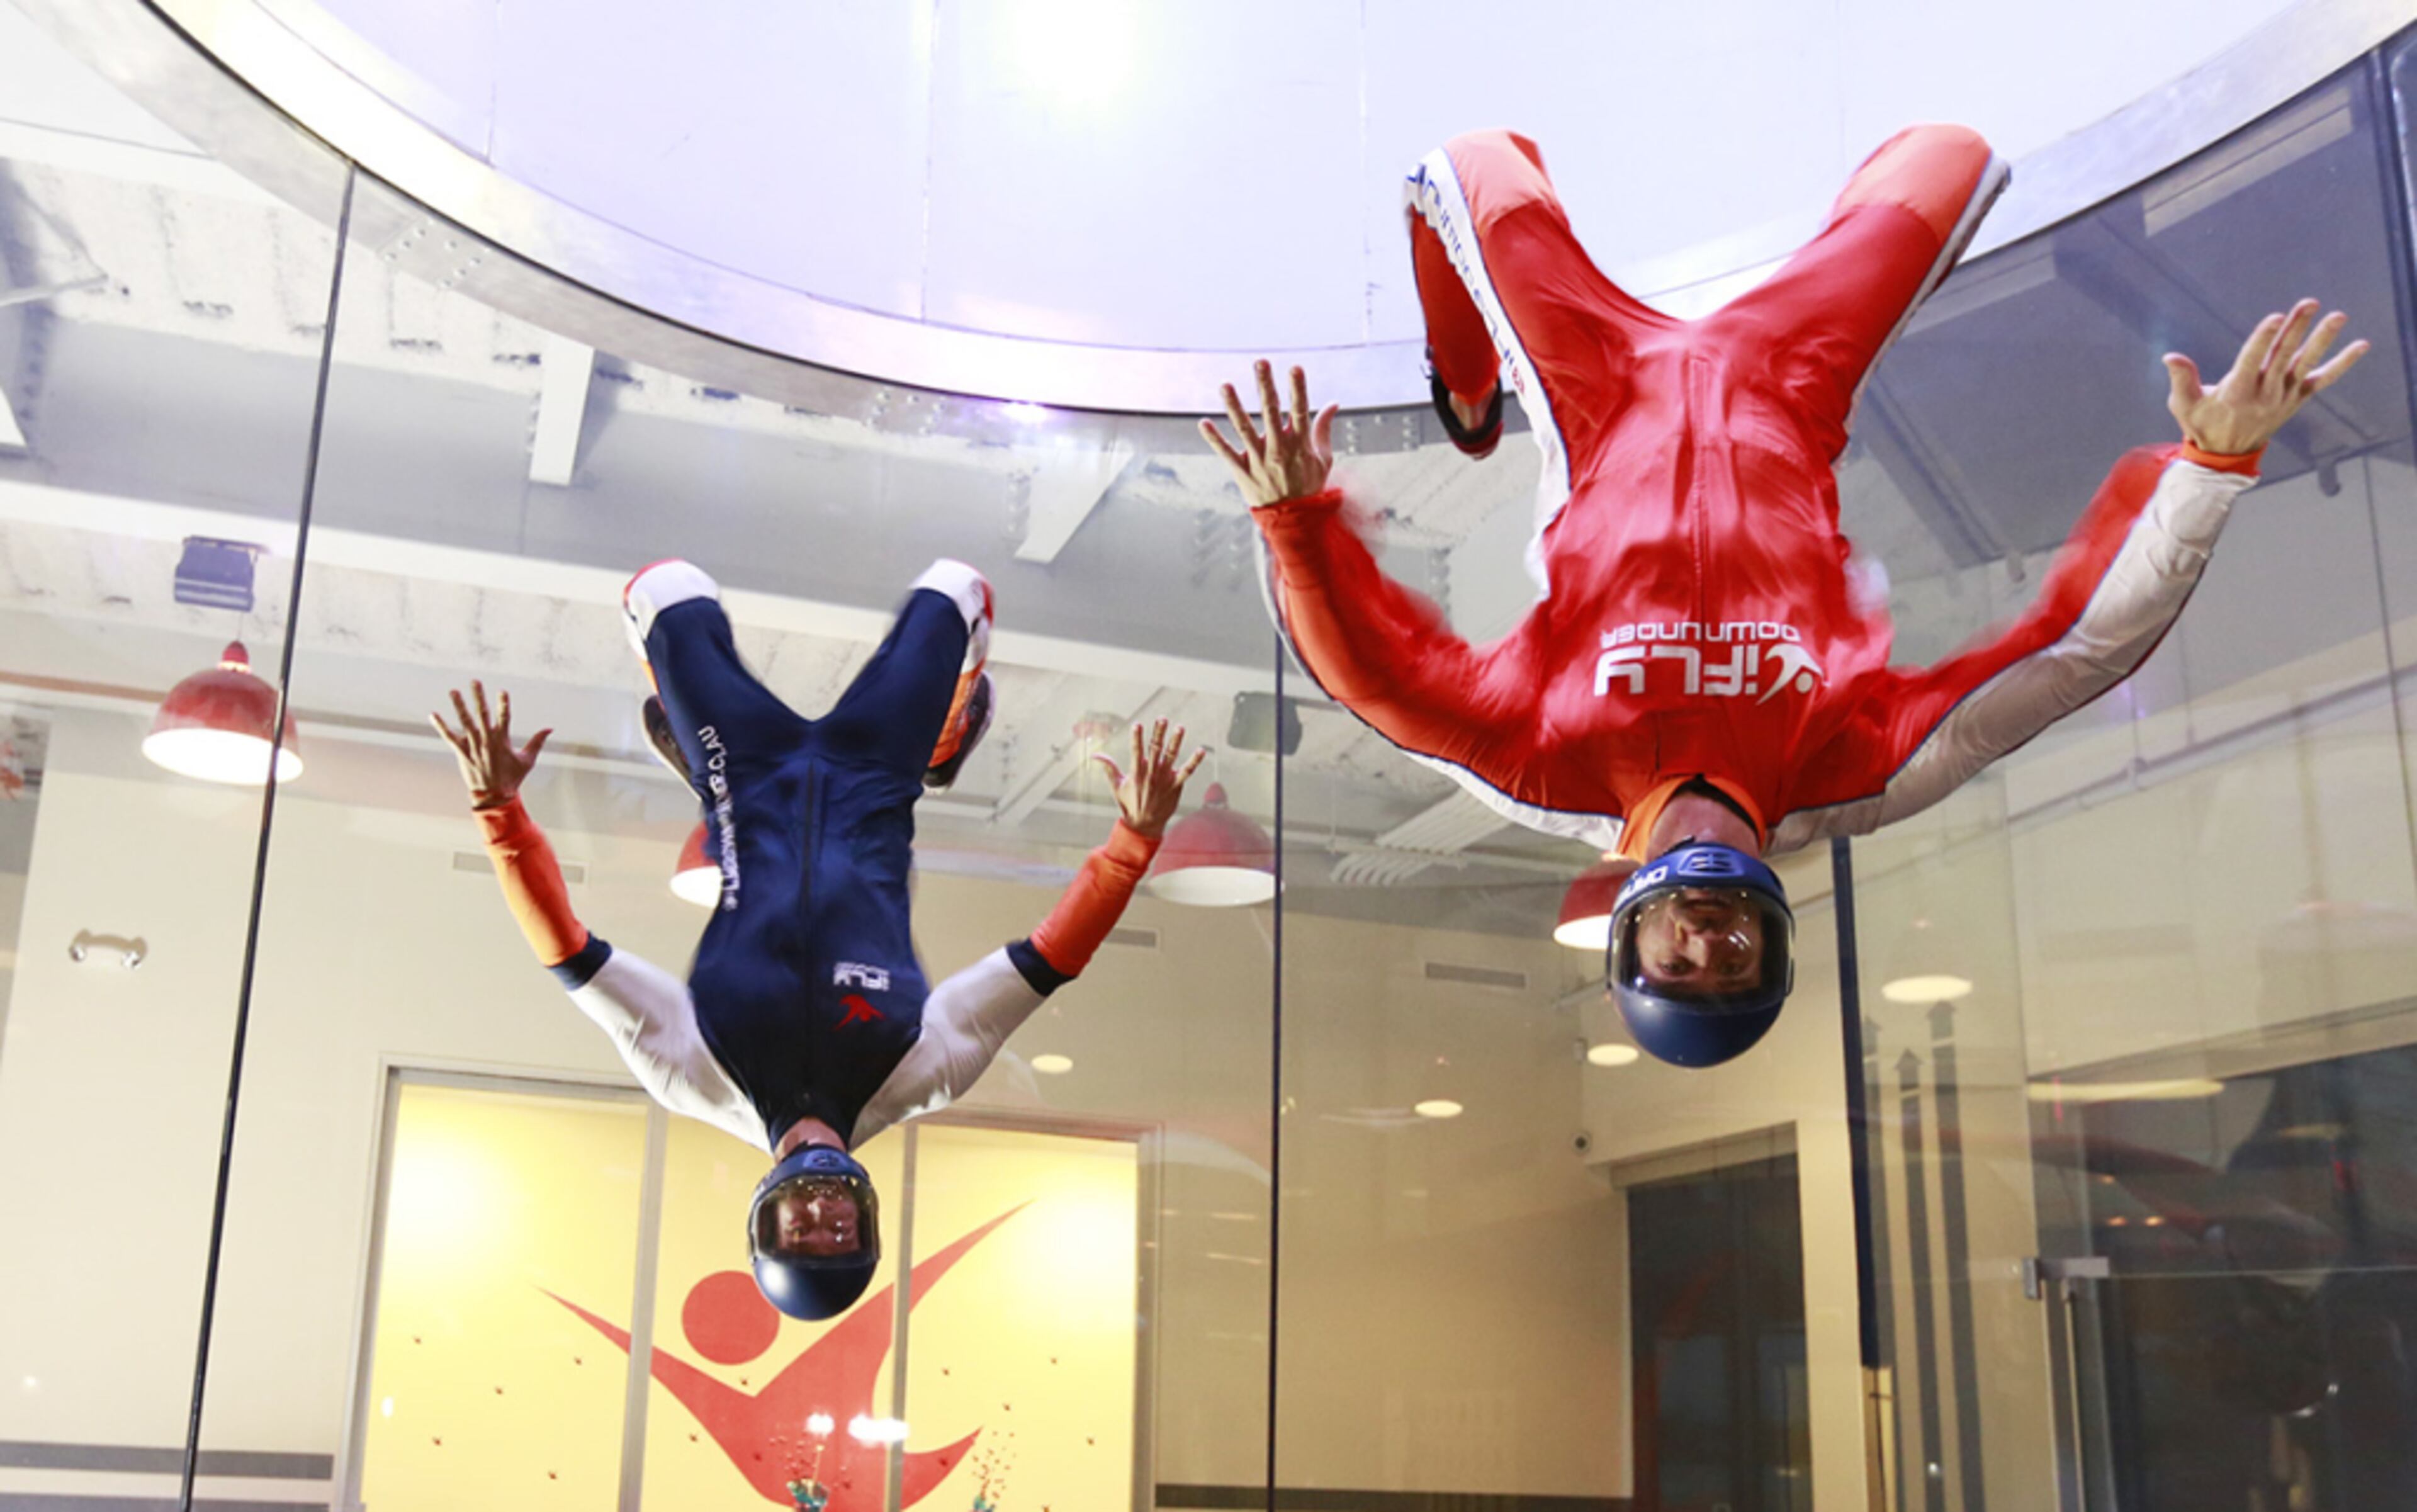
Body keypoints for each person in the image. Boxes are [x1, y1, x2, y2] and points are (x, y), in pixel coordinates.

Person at [1201, 125, 2367, 1068]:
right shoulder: (1858, 770)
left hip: (1598, 391)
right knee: (1950, 158)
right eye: (1734, 964)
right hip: (1787, 381)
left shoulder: (1548, 765)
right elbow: (2073, 654)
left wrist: (1297, 521)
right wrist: (2210, 472)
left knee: (1467, 163)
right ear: (1772, 939)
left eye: (1679, 962)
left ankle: (1465, 389)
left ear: (1630, 934)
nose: (1708, 941)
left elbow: (1379, 686)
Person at [431, 557, 1203, 1319]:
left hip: (748, 773)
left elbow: (568, 952)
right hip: (879, 771)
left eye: (801, 1231)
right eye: (842, 1232)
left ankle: (698, 729)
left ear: (764, 1217)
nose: (822, 1213)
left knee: (662, 588)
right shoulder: (918, 1074)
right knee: (958, 586)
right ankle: (943, 745)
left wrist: (496, 808)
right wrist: (1133, 839)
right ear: (868, 1219)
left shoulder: (697, 1075)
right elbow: (1045, 962)